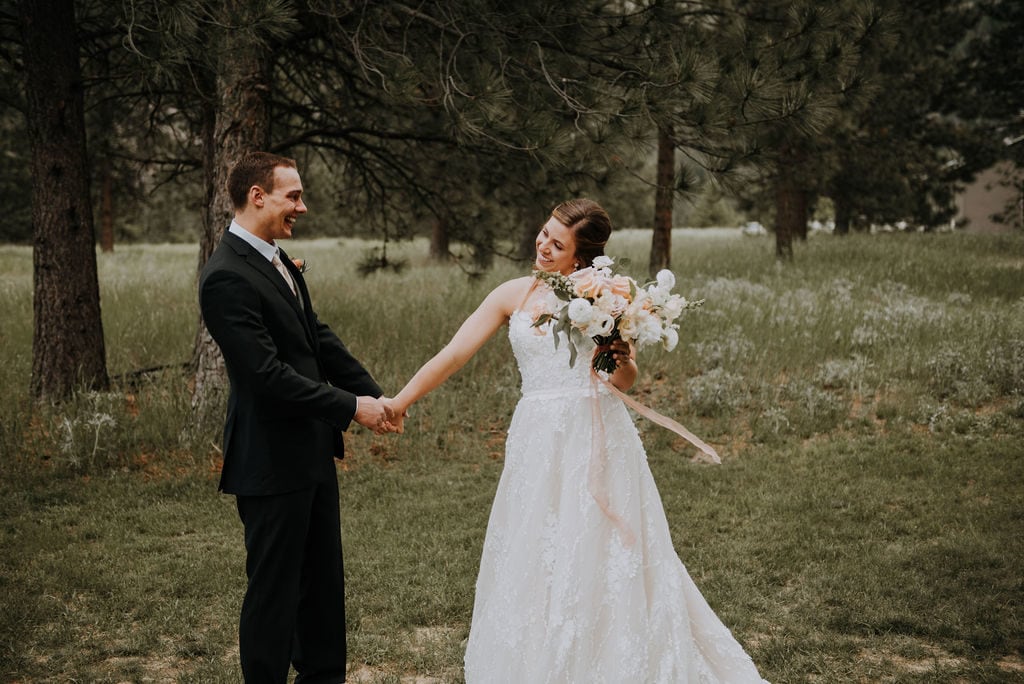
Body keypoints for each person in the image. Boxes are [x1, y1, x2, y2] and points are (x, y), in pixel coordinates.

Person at [386, 198, 768, 682]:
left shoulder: (612, 294)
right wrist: (400, 401)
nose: (544, 246)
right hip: (536, 438)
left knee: (601, 548)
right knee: (535, 546)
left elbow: (626, 379)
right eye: (545, 233)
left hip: (596, 435)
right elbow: (454, 353)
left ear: (581, 257)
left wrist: (611, 344)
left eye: (558, 243)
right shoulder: (511, 295)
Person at [199, 151, 394, 683]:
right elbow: (266, 375)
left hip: (310, 449)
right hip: (268, 458)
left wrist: (375, 395)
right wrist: (353, 408)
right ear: (257, 196)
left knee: (322, 581)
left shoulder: (275, 257)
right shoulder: (225, 277)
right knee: (274, 590)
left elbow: (315, 336)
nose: (302, 207)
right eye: (294, 196)